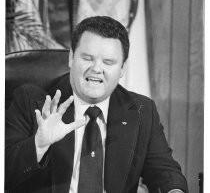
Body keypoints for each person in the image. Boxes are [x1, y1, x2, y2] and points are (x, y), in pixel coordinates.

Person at [5, 16, 188, 193]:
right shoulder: (32, 101)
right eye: (87, 58)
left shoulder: (141, 110)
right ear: (71, 58)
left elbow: (164, 171)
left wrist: (174, 190)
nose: (96, 69)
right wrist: (38, 145)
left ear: (122, 68)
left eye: (108, 62)